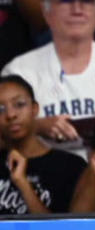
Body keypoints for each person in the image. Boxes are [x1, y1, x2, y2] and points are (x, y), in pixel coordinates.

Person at [0, 0, 95, 159]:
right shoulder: (19, 71)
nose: (77, 9)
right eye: (66, 0)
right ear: (46, 11)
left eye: (86, 0)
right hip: (41, 181)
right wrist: (37, 126)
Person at [0, 75, 87, 213]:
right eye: (0, 109)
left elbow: (62, 227)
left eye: (19, 104)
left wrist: (22, 183)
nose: (10, 115)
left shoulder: (70, 166)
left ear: (34, 108)